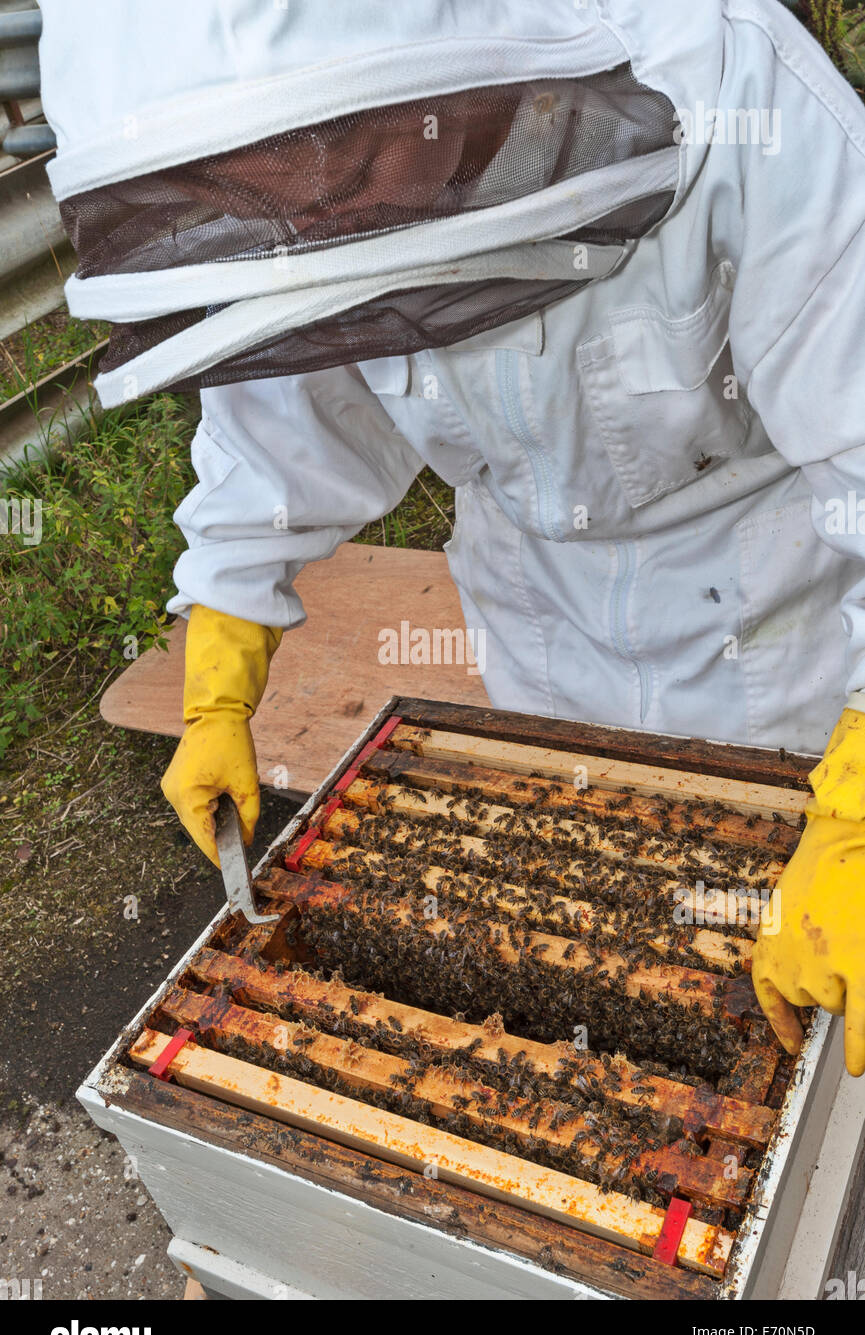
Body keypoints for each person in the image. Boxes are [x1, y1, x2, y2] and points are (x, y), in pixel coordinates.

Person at [38, 0, 865, 1072]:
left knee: (818, 997)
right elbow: (283, 428)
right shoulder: (309, 191)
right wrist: (221, 659)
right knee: (599, 959)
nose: (321, 205)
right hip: (535, 629)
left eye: (345, 163)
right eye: (277, 191)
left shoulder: (729, 80)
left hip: (782, 637)